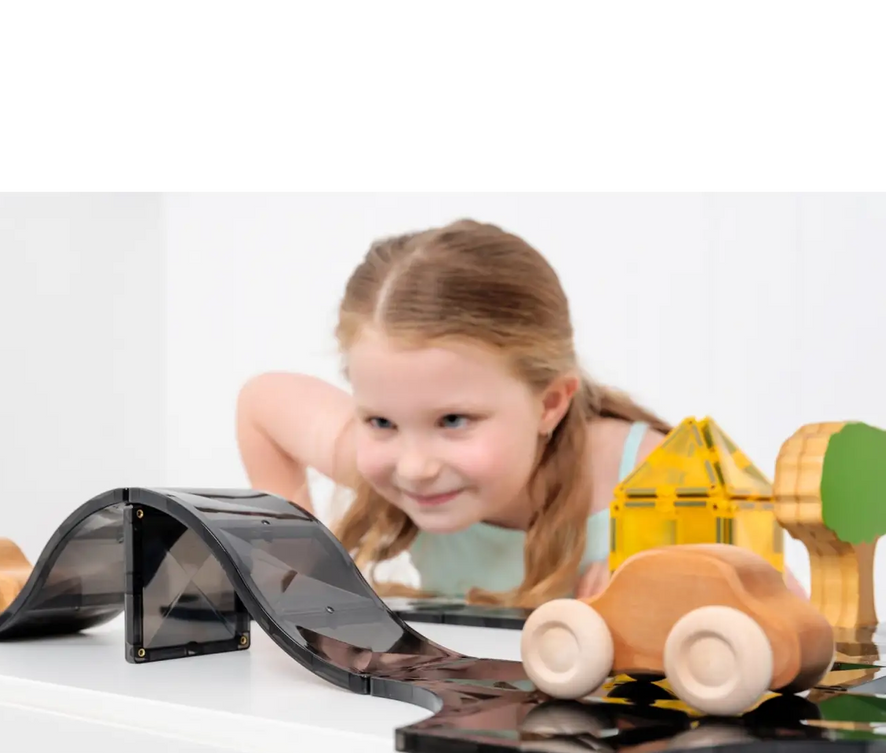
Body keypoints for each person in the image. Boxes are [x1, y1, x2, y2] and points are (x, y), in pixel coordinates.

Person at [236, 218, 797, 606]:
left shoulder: (656, 476)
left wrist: (679, 590)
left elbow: (798, 619)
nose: (413, 467)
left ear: (550, 403)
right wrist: (295, 579)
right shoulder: (388, 461)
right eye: (380, 421)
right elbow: (261, 403)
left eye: (453, 421)